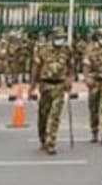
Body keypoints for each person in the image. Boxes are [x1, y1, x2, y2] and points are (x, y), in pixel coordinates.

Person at [30, 27, 73, 155]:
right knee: (43, 114)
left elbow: (71, 66)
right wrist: (32, 86)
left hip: (59, 86)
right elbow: (36, 67)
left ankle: (51, 142)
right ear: (52, 37)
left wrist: (69, 80)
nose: (61, 40)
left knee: (55, 115)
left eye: (63, 37)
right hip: (45, 85)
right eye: (59, 37)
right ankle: (43, 139)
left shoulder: (67, 50)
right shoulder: (42, 49)